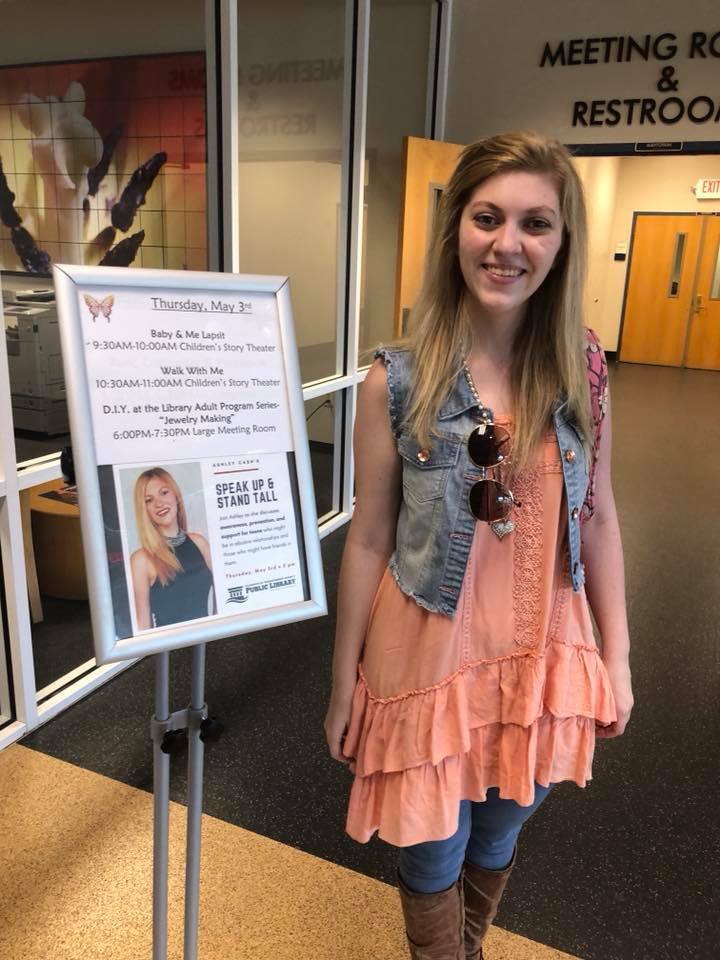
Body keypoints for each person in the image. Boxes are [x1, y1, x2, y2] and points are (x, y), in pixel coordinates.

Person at [324, 132, 633, 959]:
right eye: (487, 217)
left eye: (536, 224)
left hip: (540, 649)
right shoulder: (397, 378)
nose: (507, 245)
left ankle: (468, 946)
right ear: (455, 226)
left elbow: (597, 515)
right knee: (432, 847)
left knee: (500, 827)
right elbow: (369, 539)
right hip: (428, 651)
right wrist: (341, 679)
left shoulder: (583, 366)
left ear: (563, 243)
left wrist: (620, 658)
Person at [130, 467, 214, 630]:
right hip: (170, 651)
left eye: (164, 492)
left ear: (176, 495)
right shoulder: (141, 559)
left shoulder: (199, 543)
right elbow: (143, 626)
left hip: (208, 642)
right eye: (148, 500)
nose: (159, 503)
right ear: (144, 509)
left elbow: (223, 596)